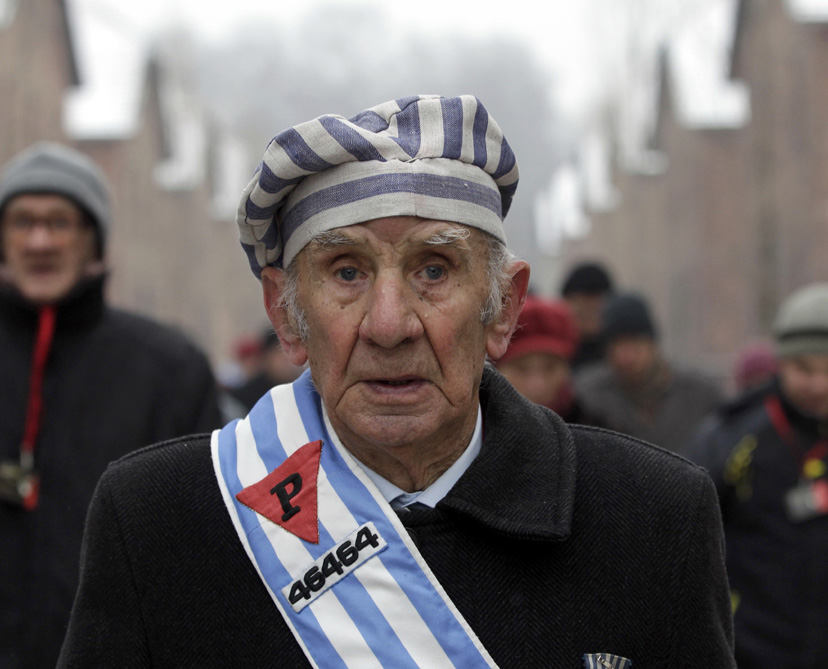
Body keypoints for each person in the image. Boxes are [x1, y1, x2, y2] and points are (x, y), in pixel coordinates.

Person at [59, 95, 734, 668]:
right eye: (346, 271)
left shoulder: (655, 520)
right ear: (285, 316)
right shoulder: (158, 521)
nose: (390, 325)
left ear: (502, 308)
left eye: (435, 268)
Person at [0, 142, 222, 667]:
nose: (40, 241)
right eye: (23, 221)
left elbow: (198, 554)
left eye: (60, 222)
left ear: (94, 240)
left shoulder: (170, 369)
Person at [690, 282, 828, 667]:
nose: (818, 384)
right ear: (781, 363)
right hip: (755, 648)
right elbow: (689, 530)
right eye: (803, 369)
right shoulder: (734, 436)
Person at [575, 291, 723, 456]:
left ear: (652, 343)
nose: (626, 355)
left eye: (635, 342)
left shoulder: (701, 394)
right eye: (617, 345)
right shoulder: (588, 395)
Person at [495, 295, 609, 427]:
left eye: (550, 368)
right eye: (521, 369)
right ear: (497, 369)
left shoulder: (596, 430)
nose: (537, 385)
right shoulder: (475, 435)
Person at [560, 261, 614, 371]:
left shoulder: (619, 356)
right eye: (581, 305)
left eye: (595, 307)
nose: (589, 312)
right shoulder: (556, 352)